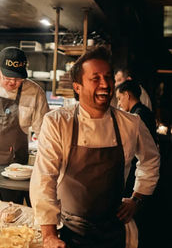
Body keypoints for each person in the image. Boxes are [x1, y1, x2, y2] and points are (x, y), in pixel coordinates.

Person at [30, 45, 160, 248]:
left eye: (108, 77)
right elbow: (44, 179)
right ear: (77, 87)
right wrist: (49, 234)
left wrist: (137, 198)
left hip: (113, 229)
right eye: (96, 78)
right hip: (68, 230)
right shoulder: (57, 122)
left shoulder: (130, 123)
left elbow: (151, 160)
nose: (105, 84)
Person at [0, 46, 49, 204]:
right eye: (7, 77)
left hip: (15, 170)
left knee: (12, 214)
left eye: (18, 78)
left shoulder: (35, 93)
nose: (13, 82)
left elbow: (45, 135)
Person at [115, 79, 158, 248]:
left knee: (133, 217)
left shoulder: (136, 116)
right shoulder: (145, 111)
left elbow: (147, 156)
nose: (119, 103)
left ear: (127, 95)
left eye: (119, 98)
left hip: (136, 174)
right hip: (137, 172)